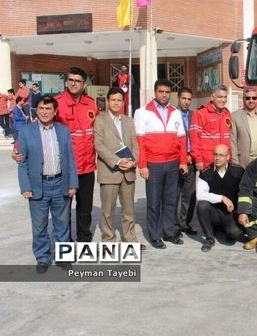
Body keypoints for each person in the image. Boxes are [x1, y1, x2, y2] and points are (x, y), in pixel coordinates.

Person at [16, 96, 78, 273]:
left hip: (60, 183)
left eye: (48, 109)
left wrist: (72, 182)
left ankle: (63, 258)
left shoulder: (63, 130)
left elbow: (70, 159)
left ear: (55, 111)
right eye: (41, 108)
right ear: (37, 110)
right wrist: (25, 186)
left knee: (62, 224)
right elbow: (22, 162)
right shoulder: (26, 132)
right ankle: (43, 258)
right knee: (39, 225)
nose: (44, 112)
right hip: (38, 185)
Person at [134, 79, 188, 249]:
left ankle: (169, 232)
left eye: (167, 92)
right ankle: (155, 235)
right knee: (154, 202)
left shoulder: (175, 112)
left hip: (173, 163)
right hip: (153, 164)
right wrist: (142, 165)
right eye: (161, 92)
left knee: (171, 200)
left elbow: (181, 139)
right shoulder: (142, 112)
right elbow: (140, 142)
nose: (164, 95)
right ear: (155, 92)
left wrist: (183, 162)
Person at [94, 87, 144, 249]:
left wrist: (133, 161)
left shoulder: (128, 121)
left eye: (119, 100)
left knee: (129, 210)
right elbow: (99, 145)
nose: (116, 103)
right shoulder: (100, 120)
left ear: (123, 102)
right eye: (113, 100)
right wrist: (117, 161)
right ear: (108, 101)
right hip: (110, 171)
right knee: (108, 210)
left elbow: (136, 145)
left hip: (128, 172)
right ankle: (109, 240)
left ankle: (130, 240)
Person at [55, 67, 98, 242]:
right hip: (65, 168)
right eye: (70, 80)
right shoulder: (57, 103)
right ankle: (66, 244)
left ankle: (84, 242)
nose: (73, 83)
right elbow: (39, 126)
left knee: (85, 209)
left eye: (77, 81)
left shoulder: (91, 104)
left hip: (87, 167)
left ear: (84, 84)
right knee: (63, 210)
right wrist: (19, 147)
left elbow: (101, 130)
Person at [196, 144, 245, 252]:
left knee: (234, 234)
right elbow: (200, 195)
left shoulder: (238, 171)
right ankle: (209, 238)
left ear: (228, 157)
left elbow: (245, 192)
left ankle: (223, 230)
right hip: (214, 213)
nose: (217, 158)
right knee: (201, 205)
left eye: (221, 155)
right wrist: (222, 198)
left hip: (231, 213)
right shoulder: (205, 173)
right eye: (215, 154)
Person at [190, 84, 232, 173]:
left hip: (224, 163)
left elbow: (230, 138)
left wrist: (230, 158)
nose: (223, 100)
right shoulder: (200, 113)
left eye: (225, 97)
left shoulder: (227, 114)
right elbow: (194, 139)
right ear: (212, 97)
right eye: (220, 97)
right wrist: (198, 159)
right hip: (208, 162)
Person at [230, 86, 257, 168]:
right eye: (248, 98)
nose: (251, 100)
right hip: (243, 162)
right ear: (243, 99)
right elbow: (233, 141)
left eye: (254, 98)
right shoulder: (235, 116)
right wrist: (235, 162)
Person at [176, 87, 198, 236]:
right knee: (174, 195)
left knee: (189, 194)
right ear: (178, 98)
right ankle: (173, 225)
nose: (186, 102)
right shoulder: (171, 114)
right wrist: (182, 156)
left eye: (189, 99)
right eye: (184, 98)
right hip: (176, 160)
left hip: (192, 161)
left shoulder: (194, 115)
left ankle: (185, 223)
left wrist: (192, 155)